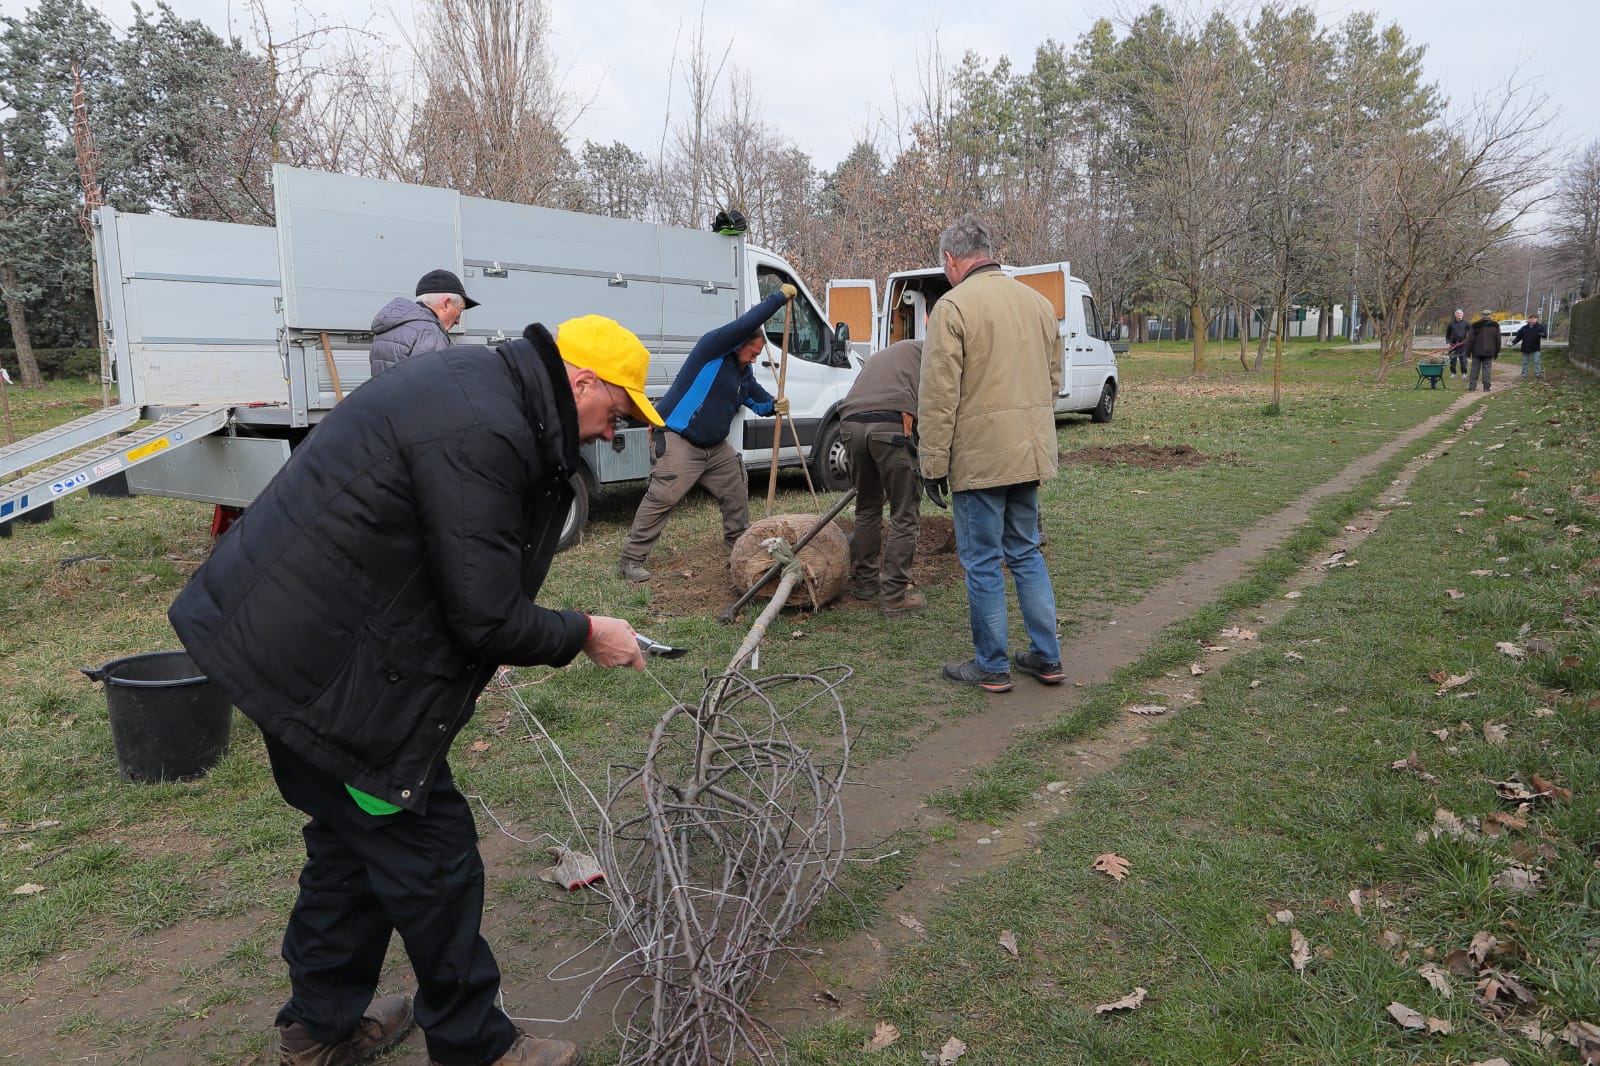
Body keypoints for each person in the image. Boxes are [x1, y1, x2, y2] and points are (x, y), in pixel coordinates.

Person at [169, 314, 663, 1066]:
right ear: (582, 381)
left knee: (350, 846)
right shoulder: (484, 428)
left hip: (296, 646)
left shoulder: (482, 392)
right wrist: (586, 630)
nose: (609, 433)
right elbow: (487, 614)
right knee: (433, 856)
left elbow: (446, 566)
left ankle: (318, 1032)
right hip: (324, 678)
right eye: (615, 414)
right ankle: (478, 1048)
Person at [917, 216, 1064, 694]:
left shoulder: (953, 308)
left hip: (980, 460)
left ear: (951, 260)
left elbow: (939, 396)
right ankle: (1047, 656)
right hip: (1029, 451)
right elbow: (1054, 381)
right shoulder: (1039, 304)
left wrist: (932, 464)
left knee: (981, 561)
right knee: (1024, 552)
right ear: (990, 251)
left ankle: (993, 665)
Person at [616, 286, 795, 582]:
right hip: (678, 439)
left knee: (736, 484)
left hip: (714, 448)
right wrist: (778, 298)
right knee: (664, 495)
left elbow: (758, 401)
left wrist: (776, 405)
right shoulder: (711, 350)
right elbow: (747, 322)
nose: (754, 359)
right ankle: (631, 559)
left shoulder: (743, 375)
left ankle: (738, 542)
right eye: (753, 352)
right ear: (739, 344)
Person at [840, 338, 926, 614]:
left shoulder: (893, 354)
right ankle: (894, 596)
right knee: (904, 513)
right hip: (890, 423)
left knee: (867, 507)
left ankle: (866, 583)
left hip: (850, 423)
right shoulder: (937, 355)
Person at [369, 268, 480, 377]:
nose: (458, 321)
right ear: (446, 303)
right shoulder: (429, 332)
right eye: (459, 311)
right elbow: (434, 387)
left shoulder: (388, 327)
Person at [1466, 308, 1501, 392]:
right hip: (1490, 351)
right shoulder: (1495, 325)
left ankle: (1472, 386)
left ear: (1482, 315)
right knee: (1487, 368)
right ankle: (1486, 386)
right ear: (1490, 315)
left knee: (1474, 368)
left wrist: (1468, 352)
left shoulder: (1475, 325)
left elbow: (1470, 339)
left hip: (1476, 350)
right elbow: (1498, 339)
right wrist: (1497, 352)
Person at [1511, 314, 1548, 379]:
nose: (1532, 320)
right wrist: (1513, 343)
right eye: (1530, 318)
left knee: (1537, 361)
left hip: (1535, 348)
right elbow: (1519, 337)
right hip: (1525, 347)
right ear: (1528, 319)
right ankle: (1524, 375)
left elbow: (1545, 335)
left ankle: (1538, 375)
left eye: (1534, 318)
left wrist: (1541, 334)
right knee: (1525, 362)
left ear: (1536, 319)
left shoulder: (1540, 327)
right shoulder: (1524, 328)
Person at [1444, 309, 1471, 377]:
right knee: (1453, 359)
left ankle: (1464, 373)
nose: (1459, 314)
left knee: (1463, 359)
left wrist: (1468, 339)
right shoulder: (1451, 324)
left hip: (1463, 344)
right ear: (1455, 315)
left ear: (1462, 314)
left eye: (1460, 313)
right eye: (1458, 313)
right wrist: (1448, 342)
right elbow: (1447, 334)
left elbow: (1472, 332)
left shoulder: (1466, 323)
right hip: (1453, 345)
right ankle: (1453, 373)